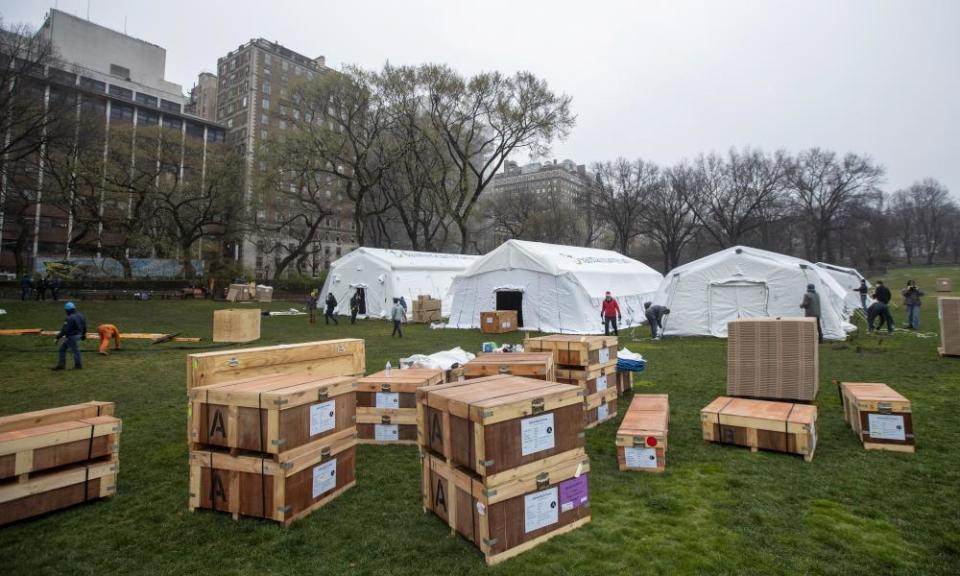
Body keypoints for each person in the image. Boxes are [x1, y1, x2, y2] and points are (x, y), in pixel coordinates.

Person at [52, 302, 86, 370]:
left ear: (67, 310)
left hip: (72, 337)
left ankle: (78, 365)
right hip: (78, 335)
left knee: (75, 351)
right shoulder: (81, 316)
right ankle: (61, 365)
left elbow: (65, 330)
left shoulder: (69, 318)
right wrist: (83, 334)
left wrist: (57, 337)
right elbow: (84, 326)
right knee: (62, 349)